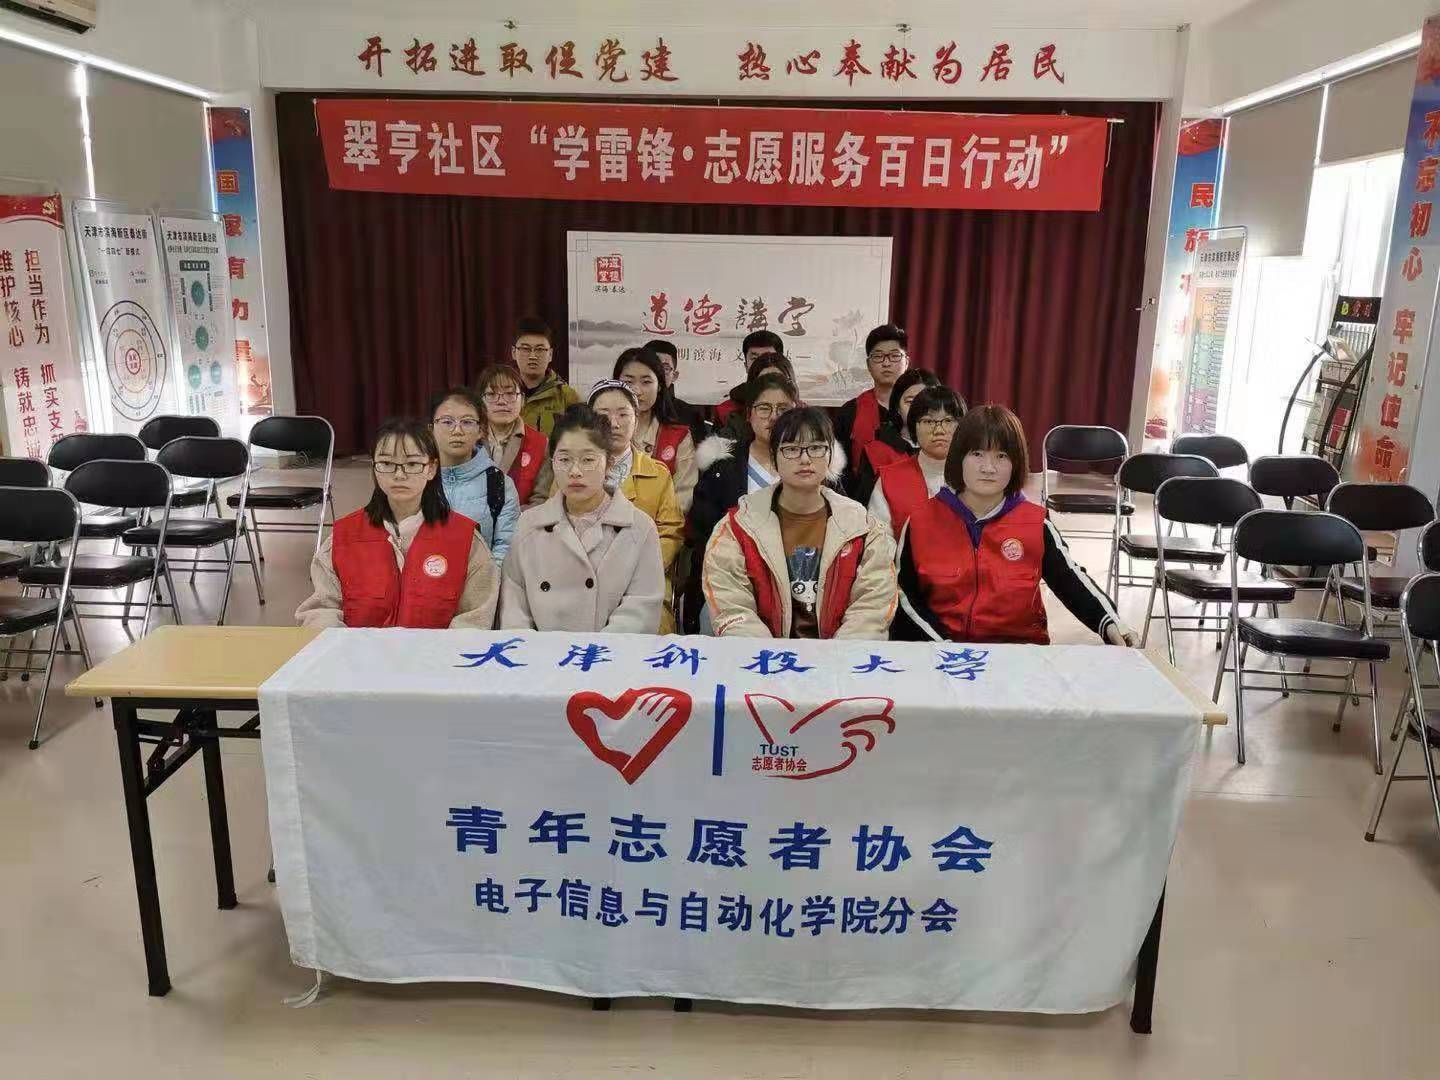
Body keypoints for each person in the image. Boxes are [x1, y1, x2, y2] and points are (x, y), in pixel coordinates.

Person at [892, 405, 1139, 646]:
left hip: (1019, 654)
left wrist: (1111, 623)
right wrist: (944, 646)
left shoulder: (1036, 524)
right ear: (959, 458)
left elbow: (1070, 580)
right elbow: (904, 595)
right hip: (942, 651)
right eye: (977, 454)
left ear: (1016, 463)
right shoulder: (921, 521)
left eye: (1001, 456)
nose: (988, 468)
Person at [703, 407, 897, 639]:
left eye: (816, 448)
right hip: (763, 655)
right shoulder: (737, 527)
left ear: (830, 455)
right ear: (773, 457)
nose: (805, 459)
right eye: (791, 449)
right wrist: (770, 655)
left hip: (843, 654)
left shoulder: (862, 527)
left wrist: (839, 654)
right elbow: (732, 606)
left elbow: (873, 606)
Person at [297, 419, 497, 629]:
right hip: (359, 649)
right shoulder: (342, 538)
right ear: (374, 468)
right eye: (386, 463)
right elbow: (322, 610)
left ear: (431, 469)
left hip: (438, 650)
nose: (399, 475)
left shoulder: (465, 540)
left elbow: (476, 618)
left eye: (412, 464)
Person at [500, 406, 664, 633]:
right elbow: (514, 605)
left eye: (588, 460)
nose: (575, 471)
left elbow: (640, 609)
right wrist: (533, 650)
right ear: (552, 462)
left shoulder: (639, 528)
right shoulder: (529, 524)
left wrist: (594, 652)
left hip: (610, 651)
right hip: (539, 652)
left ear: (609, 463)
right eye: (564, 459)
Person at [684, 372, 798, 632]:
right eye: (764, 408)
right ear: (749, 414)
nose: (773, 417)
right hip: (734, 583)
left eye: (783, 409)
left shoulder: (811, 465)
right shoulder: (723, 466)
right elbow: (704, 533)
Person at [587, 380, 685, 631]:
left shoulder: (658, 474)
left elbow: (671, 533)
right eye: (603, 414)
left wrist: (632, 569)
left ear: (637, 419)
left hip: (643, 583)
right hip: (583, 582)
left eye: (623, 414)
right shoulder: (572, 471)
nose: (614, 423)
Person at [429, 387, 520, 564]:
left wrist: (486, 580)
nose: (457, 430)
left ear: (480, 430)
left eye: (467, 422)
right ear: (431, 428)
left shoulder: (499, 483)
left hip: (482, 579)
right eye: (447, 422)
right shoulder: (418, 477)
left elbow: (505, 547)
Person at [869, 386, 964, 538]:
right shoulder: (890, 479)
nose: (939, 430)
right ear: (913, 426)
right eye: (928, 421)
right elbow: (878, 540)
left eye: (948, 420)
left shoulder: (977, 476)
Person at [615, 347, 698, 514]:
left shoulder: (678, 437)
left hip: (662, 526)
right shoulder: (598, 432)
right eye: (629, 382)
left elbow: (683, 499)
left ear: (659, 385)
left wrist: (648, 527)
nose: (637, 391)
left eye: (646, 382)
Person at [850, 367, 943, 505]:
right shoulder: (875, 452)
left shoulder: (950, 449)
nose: (918, 409)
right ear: (897, 407)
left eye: (926, 402)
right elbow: (862, 506)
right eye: (910, 401)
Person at [834, 323, 911, 487]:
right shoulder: (849, 412)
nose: (886, 363)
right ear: (868, 365)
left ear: (907, 362)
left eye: (894, 356)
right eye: (878, 356)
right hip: (861, 497)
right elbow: (839, 469)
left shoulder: (921, 410)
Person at [475, 363, 553, 508]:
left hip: (523, 520)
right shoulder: (469, 439)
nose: (501, 401)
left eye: (510, 394)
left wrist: (509, 519)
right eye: (491, 394)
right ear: (480, 402)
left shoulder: (541, 444)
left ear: (522, 400)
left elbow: (540, 501)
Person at [512, 316, 580, 437]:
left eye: (540, 349)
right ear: (513, 352)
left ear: (550, 355)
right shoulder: (500, 394)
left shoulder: (567, 397)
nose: (533, 356)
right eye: (525, 349)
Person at [714, 331, 787, 427]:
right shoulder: (725, 411)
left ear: (782, 363)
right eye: (754, 358)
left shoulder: (798, 410)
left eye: (769, 357)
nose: (762, 363)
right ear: (746, 366)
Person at [714, 350, 798, 432]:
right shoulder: (733, 422)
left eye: (779, 380)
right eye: (763, 381)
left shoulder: (803, 416)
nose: (771, 387)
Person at [646, 338, 708, 442]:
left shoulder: (690, 415)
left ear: (674, 376)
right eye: (651, 367)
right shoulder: (624, 408)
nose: (657, 373)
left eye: (665, 369)